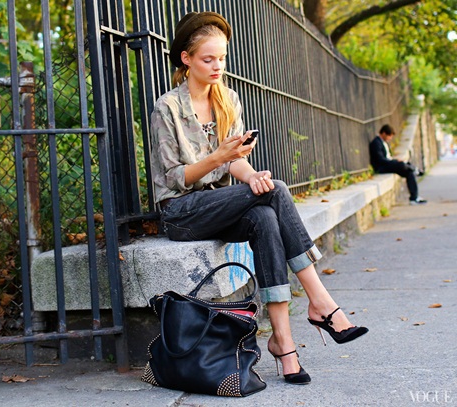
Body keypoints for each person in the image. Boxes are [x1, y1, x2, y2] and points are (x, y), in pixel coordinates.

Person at [149, 11, 368, 385]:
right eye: (208, 59)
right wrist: (220, 156)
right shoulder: (167, 108)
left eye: (222, 58)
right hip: (182, 212)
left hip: (220, 203)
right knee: (278, 192)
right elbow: (176, 179)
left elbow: (238, 165)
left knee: (267, 213)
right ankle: (321, 303)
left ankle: (283, 341)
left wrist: (253, 176)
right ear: (186, 59)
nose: (218, 66)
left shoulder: (227, 99)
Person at [369, 124, 427, 205]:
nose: (390, 138)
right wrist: (394, 162)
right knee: (401, 164)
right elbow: (380, 159)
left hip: (387, 164)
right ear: (384, 133)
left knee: (408, 172)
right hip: (381, 167)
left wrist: (394, 161)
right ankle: (414, 169)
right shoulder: (376, 143)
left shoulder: (383, 142)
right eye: (389, 136)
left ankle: (414, 198)